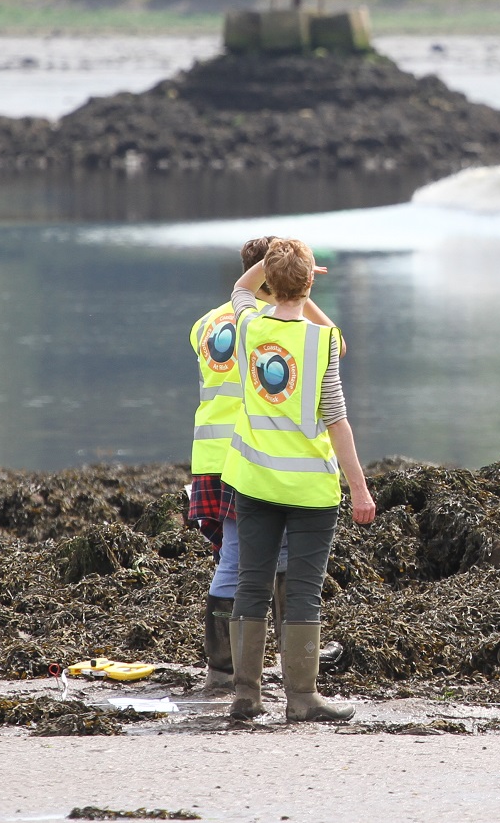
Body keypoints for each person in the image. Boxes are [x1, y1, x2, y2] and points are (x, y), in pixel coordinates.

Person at [221, 236, 376, 722]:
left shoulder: (247, 327)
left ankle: (245, 696)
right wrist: (359, 486)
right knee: (304, 590)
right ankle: (302, 699)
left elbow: (239, 290)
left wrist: (275, 268)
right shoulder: (322, 339)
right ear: (309, 284)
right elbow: (337, 419)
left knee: (251, 584)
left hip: (255, 481)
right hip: (310, 488)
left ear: (269, 279)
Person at [185, 236, 339, 695]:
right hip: (248, 456)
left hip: (208, 455)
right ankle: (252, 671)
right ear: (271, 277)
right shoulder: (267, 327)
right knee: (256, 562)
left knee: (235, 561)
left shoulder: (207, 324)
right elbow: (333, 349)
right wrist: (301, 290)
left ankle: (234, 668)